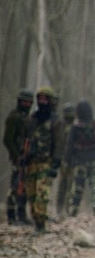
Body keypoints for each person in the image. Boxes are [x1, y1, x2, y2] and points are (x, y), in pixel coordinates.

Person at [24, 86, 64, 235]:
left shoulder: (56, 122)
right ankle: (36, 220)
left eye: (45, 99)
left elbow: (59, 144)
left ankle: (40, 225)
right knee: (31, 195)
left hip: (45, 163)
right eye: (40, 99)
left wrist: (55, 164)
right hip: (31, 162)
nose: (42, 101)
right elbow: (26, 139)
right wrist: (23, 157)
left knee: (42, 195)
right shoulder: (32, 119)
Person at [65, 101, 95, 218]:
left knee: (77, 187)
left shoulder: (75, 127)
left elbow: (70, 145)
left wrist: (68, 161)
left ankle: (73, 210)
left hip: (80, 161)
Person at [3, 88, 34, 225]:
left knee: (25, 187)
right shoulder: (13, 117)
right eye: (24, 102)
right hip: (17, 157)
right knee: (15, 186)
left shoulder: (27, 118)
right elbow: (7, 139)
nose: (26, 105)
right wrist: (16, 156)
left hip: (27, 156)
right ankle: (11, 215)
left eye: (29, 103)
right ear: (19, 102)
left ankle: (22, 214)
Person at [55, 102, 75, 218]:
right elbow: (59, 143)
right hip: (64, 160)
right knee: (64, 185)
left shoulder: (74, 127)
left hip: (71, 160)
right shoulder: (61, 126)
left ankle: (67, 210)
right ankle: (60, 209)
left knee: (69, 186)